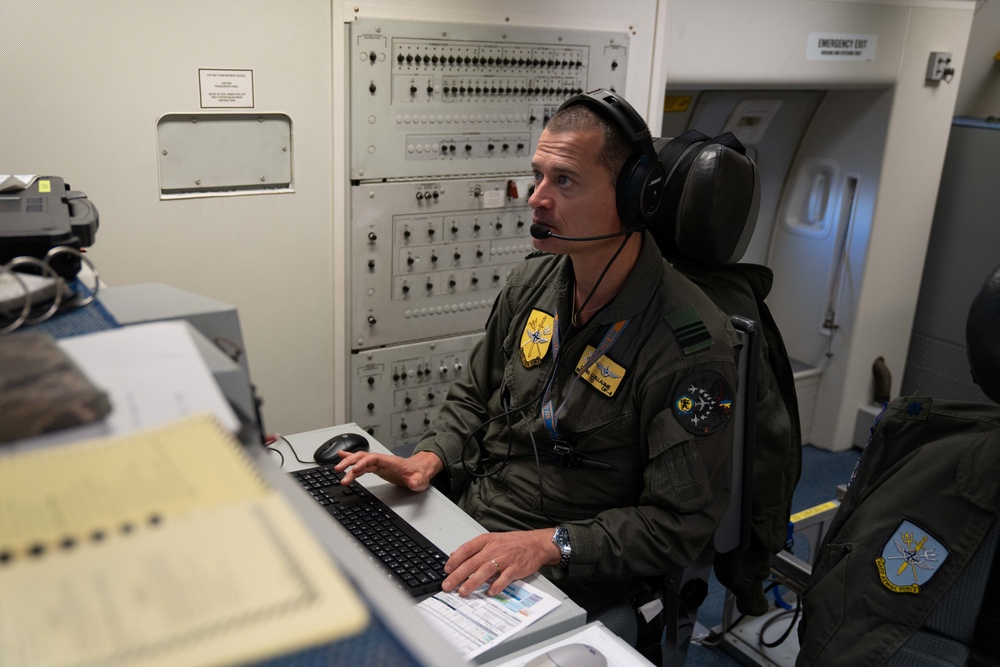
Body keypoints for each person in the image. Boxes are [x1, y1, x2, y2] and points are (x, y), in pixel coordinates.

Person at [336, 90, 741, 630]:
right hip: (469, 518)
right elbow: (473, 395)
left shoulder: (686, 345)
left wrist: (552, 545)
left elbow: (677, 524)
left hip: (566, 567)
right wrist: (429, 459)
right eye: (538, 175)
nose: (536, 198)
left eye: (564, 180)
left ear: (632, 197)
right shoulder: (534, 280)